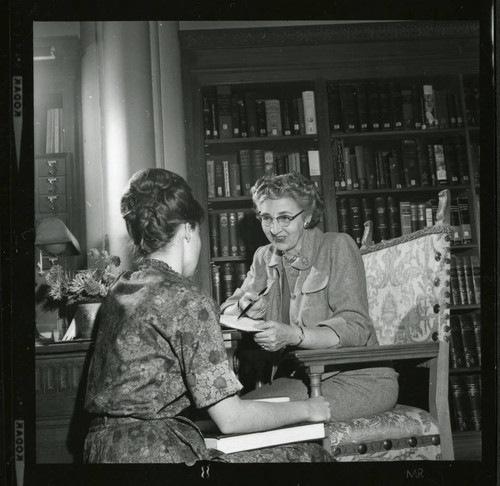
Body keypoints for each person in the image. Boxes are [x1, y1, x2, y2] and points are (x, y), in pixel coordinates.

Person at [83, 168, 332, 464]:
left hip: (101, 453)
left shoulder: (120, 288)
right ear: (188, 229)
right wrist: (308, 408)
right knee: (314, 458)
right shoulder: (187, 297)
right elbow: (232, 419)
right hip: (158, 457)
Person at [221, 172, 399, 423]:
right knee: (232, 417)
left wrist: (292, 334)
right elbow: (227, 311)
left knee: (251, 421)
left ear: (306, 216)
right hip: (299, 379)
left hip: (358, 379)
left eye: (284, 218)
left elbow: (356, 327)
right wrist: (244, 307)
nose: (274, 229)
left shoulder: (337, 246)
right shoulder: (264, 257)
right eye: (266, 218)